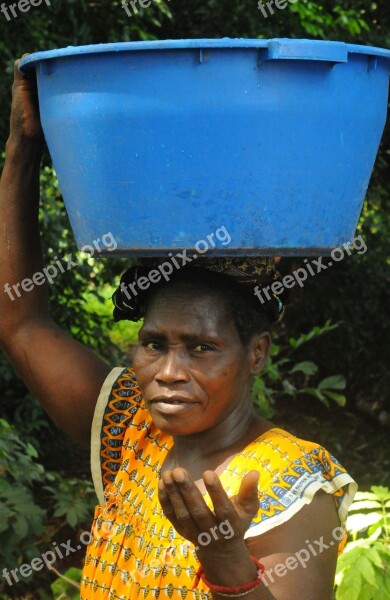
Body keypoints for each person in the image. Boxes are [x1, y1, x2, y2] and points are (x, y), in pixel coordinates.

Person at [0, 58, 357, 600]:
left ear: (255, 352)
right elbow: (20, 320)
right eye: (154, 344)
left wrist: (224, 557)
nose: (168, 372)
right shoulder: (129, 429)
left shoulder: (292, 480)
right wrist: (22, 150)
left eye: (201, 348)